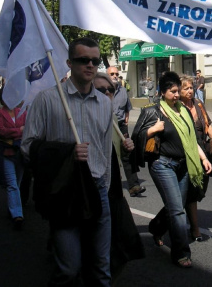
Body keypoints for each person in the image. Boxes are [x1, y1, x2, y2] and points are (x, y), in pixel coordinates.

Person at [21, 37, 113, 286]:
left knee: (101, 268)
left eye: (95, 61)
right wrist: (64, 155)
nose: (90, 65)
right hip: (65, 193)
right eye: (84, 60)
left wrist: (104, 186)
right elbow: (28, 147)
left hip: (96, 190)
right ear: (69, 63)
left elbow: (105, 151)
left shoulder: (105, 104)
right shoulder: (47, 100)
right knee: (69, 269)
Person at [131, 71, 212, 268]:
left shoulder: (183, 110)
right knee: (177, 211)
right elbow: (136, 136)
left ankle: (156, 227)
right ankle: (181, 253)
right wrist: (153, 129)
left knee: (175, 206)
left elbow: (191, 138)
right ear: (162, 92)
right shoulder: (152, 111)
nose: (176, 95)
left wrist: (203, 157)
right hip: (162, 164)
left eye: (178, 91)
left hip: (183, 165)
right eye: (172, 91)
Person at [93, 72, 145, 278]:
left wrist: (127, 147)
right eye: (100, 90)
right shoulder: (83, 117)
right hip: (90, 192)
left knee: (125, 247)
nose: (107, 94)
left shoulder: (112, 119)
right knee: (96, 251)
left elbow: (118, 155)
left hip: (113, 192)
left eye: (110, 90)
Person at [180, 75, 212, 241]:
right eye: (186, 88)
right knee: (189, 192)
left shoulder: (198, 104)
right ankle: (194, 228)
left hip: (202, 149)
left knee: (196, 190)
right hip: (186, 152)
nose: (190, 91)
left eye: (191, 87)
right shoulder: (177, 107)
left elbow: (208, 125)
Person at [107, 66, 145, 197]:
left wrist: (126, 122)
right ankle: (111, 186)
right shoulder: (102, 90)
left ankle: (134, 185)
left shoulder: (123, 90)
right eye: (112, 74)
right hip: (108, 125)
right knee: (111, 155)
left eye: (116, 73)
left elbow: (127, 107)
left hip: (121, 125)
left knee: (127, 154)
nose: (115, 76)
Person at [0, 89, 27, 230]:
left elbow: (28, 128)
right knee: (12, 184)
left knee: (17, 183)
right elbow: (1, 131)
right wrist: (19, 130)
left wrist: (14, 132)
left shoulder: (22, 111)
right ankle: (17, 215)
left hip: (20, 152)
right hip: (7, 152)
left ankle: (12, 207)